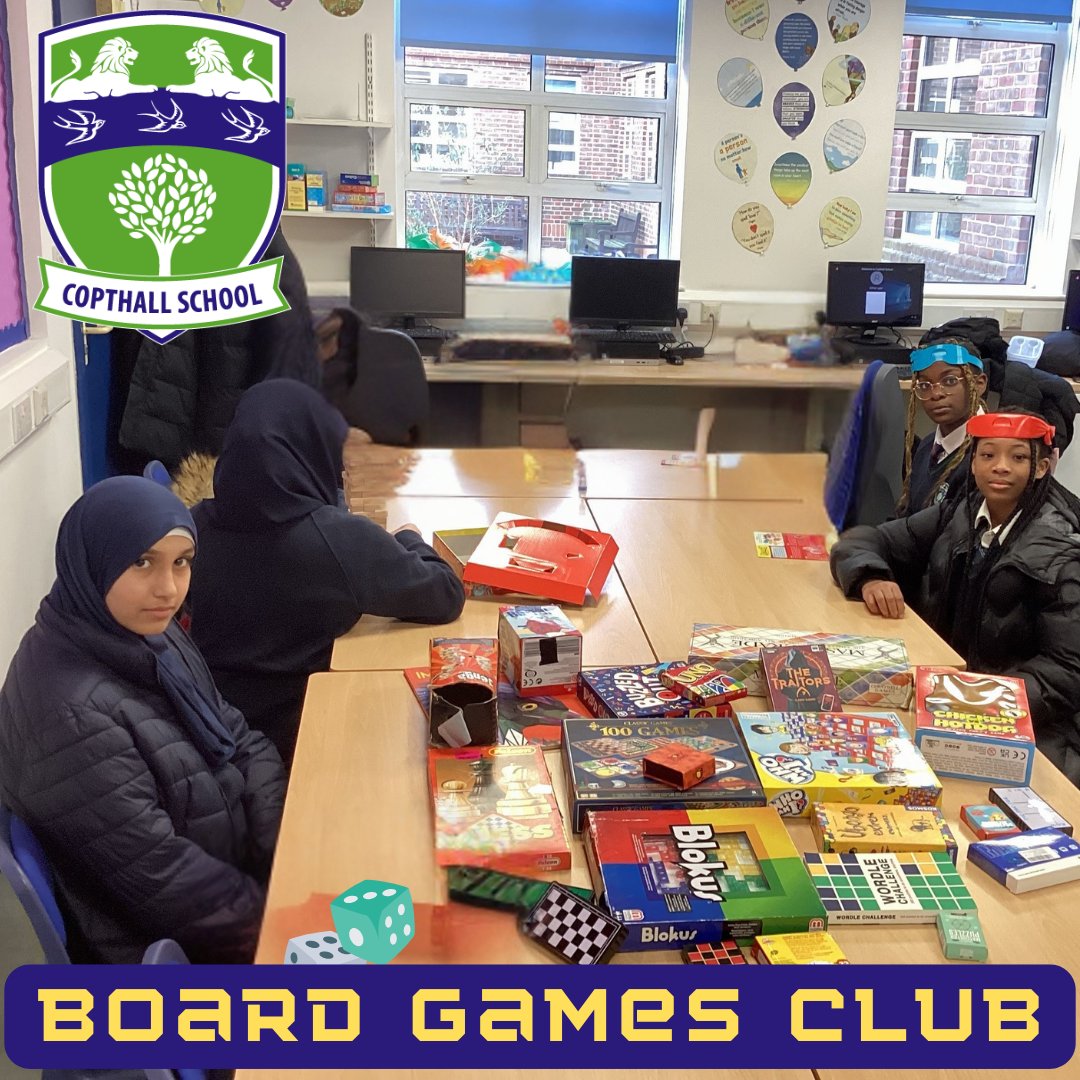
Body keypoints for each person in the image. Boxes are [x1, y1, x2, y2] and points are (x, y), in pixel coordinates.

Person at [0, 477, 285, 963]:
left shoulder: (145, 630)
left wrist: (283, 844)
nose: (168, 589)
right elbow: (164, 882)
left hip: (230, 876)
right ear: (94, 561)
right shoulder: (70, 715)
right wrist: (285, 918)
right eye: (142, 562)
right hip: (166, 951)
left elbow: (238, 735)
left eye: (182, 562)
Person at [188, 380, 466, 763]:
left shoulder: (192, 528)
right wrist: (408, 537)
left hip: (210, 726)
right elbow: (445, 594)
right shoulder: (338, 539)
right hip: (307, 731)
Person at [831, 410, 1080, 784]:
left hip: (1027, 728)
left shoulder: (1063, 550)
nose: (1000, 467)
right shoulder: (958, 513)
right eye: (987, 455)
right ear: (973, 462)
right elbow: (867, 539)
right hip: (942, 699)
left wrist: (979, 699)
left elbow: (1067, 672)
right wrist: (870, 575)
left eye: (1018, 457)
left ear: (1042, 467)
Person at [896, 339, 986, 516]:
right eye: (924, 385)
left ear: (979, 384)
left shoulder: (988, 455)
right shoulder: (927, 446)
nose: (936, 394)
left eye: (950, 381)